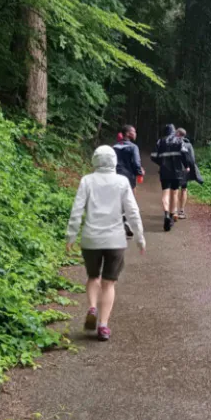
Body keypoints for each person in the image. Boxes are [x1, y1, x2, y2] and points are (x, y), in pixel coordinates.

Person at [66, 146, 145, 341]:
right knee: (109, 283)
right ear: (114, 161)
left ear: (94, 160)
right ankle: (103, 326)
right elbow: (132, 212)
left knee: (93, 277)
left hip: (90, 238)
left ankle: (92, 307)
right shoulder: (122, 182)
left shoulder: (87, 181)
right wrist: (139, 237)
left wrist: (71, 236)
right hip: (115, 239)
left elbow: (77, 210)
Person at [150, 123, 189, 232]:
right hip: (176, 172)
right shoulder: (179, 140)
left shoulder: (160, 141)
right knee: (175, 193)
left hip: (164, 171)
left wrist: (161, 163)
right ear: (174, 131)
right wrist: (186, 166)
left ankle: (166, 214)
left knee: (165, 193)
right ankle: (171, 216)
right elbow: (185, 154)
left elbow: (153, 156)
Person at [113, 125, 144, 238]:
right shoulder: (133, 147)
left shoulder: (114, 147)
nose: (135, 133)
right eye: (133, 131)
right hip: (128, 177)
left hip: (115, 175)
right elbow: (136, 163)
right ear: (127, 134)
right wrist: (139, 172)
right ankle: (126, 222)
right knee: (130, 200)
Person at [175, 128, 202, 219]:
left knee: (174, 190)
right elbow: (192, 159)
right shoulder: (188, 145)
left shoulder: (171, 143)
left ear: (177, 133)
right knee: (184, 189)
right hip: (184, 171)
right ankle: (181, 211)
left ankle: (173, 210)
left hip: (173, 170)